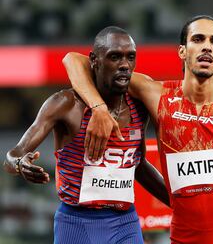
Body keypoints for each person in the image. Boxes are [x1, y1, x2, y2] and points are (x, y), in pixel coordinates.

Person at [62, 15, 213, 244]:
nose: (207, 46)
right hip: (183, 237)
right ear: (182, 51)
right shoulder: (156, 95)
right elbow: (73, 60)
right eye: (198, 39)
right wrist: (99, 109)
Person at [3, 26, 169, 244]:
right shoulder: (65, 104)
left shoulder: (138, 108)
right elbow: (13, 155)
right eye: (114, 57)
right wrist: (19, 164)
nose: (124, 65)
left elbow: (138, 165)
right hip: (75, 223)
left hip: (124, 222)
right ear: (94, 60)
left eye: (130, 57)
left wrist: (179, 203)